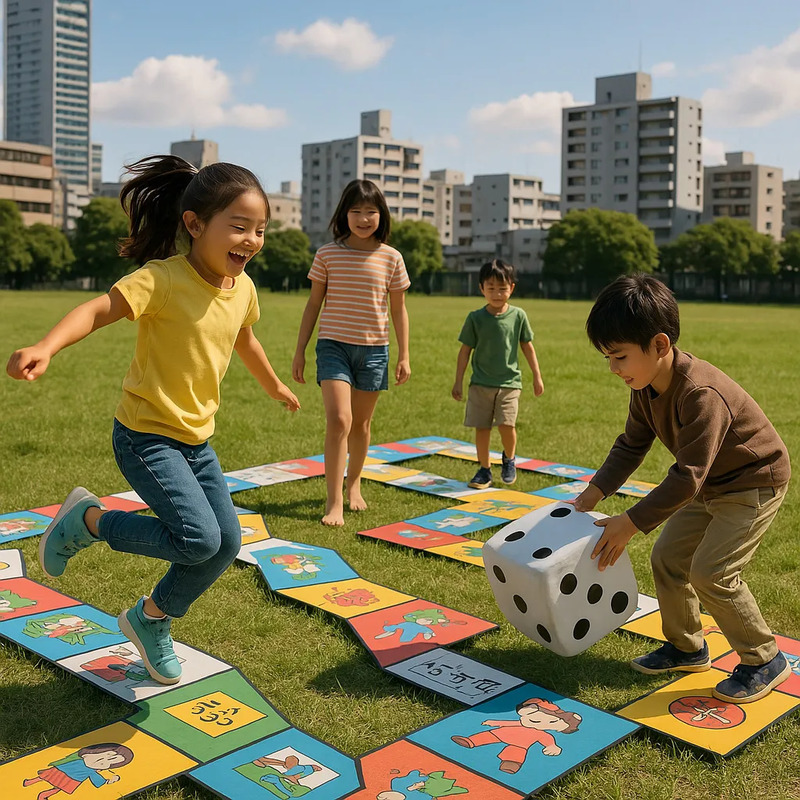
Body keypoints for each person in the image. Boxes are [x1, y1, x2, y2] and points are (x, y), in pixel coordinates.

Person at [6, 155, 300, 685]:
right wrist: (47, 345)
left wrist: (274, 383)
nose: (252, 239)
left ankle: (151, 619)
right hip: (146, 437)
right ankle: (89, 523)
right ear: (194, 224)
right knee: (198, 540)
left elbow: (244, 338)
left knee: (225, 544)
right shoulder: (162, 280)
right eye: (238, 227)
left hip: (196, 442)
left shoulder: (244, 289)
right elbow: (98, 309)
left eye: (260, 229)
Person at [573, 273, 791, 704]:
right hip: (711, 484)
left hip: (753, 483)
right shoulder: (645, 386)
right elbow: (631, 444)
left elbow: (687, 474)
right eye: (607, 359)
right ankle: (687, 647)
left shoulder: (700, 393)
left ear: (658, 345)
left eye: (619, 356)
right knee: (669, 559)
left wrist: (630, 522)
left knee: (712, 572)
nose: (614, 369)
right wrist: (591, 495)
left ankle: (764, 659)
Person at [292, 179, 410, 526]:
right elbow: (313, 304)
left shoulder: (391, 257)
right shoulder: (327, 254)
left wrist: (404, 355)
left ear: (381, 215)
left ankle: (354, 485)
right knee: (340, 420)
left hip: (375, 351)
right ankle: (334, 502)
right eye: (355, 211)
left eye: (370, 211)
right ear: (343, 215)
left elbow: (399, 309)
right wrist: (300, 350)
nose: (363, 218)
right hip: (333, 347)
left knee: (361, 424)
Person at [452, 259, 544, 489]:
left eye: (502, 288)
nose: (496, 293)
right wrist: (458, 382)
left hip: (509, 382)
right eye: (490, 288)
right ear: (481, 288)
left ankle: (509, 459)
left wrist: (537, 376)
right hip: (480, 383)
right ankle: (484, 469)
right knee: (482, 428)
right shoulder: (475, 318)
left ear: (511, 288)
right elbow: (464, 352)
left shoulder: (518, 316)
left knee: (506, 425)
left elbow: (527, 347)